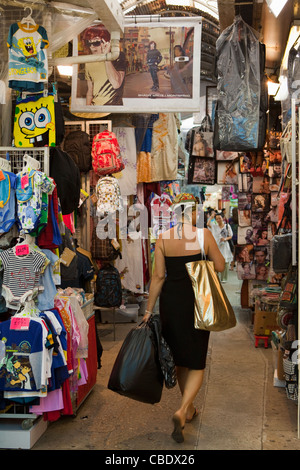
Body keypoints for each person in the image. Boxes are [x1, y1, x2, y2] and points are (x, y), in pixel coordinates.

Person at [142, 193, 225, 443]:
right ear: (194, 212)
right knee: (197, 360)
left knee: (179, 357)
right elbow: (220, 266)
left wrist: (148, 311)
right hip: (198, 302)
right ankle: (182, 409)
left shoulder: (164, 238)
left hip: (171, 303)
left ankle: (188, 409)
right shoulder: (204, 236)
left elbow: (157, 278)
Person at [83, 25, 126, 106]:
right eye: (89, 43)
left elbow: (116, 84)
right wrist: (88, 110)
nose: (92, 47)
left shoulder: (117, 56)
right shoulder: (89, 62)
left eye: (96, 43)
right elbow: (90, 90)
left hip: (113, 108)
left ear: (106, 41)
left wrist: (106, 57)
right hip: (95, 108)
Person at [207, 212, 233, 283]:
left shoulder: (227, 226)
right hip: (217, 246)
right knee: (217, 260)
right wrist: (211, 217)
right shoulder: (215, 226)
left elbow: (230, 236)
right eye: (217, 219)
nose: (218, 220)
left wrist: (225, 239)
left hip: (225, 246)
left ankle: (224, 278)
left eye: (219, 218)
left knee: (225, 261)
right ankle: (216, 277)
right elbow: (208, 224)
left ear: (223, 218)